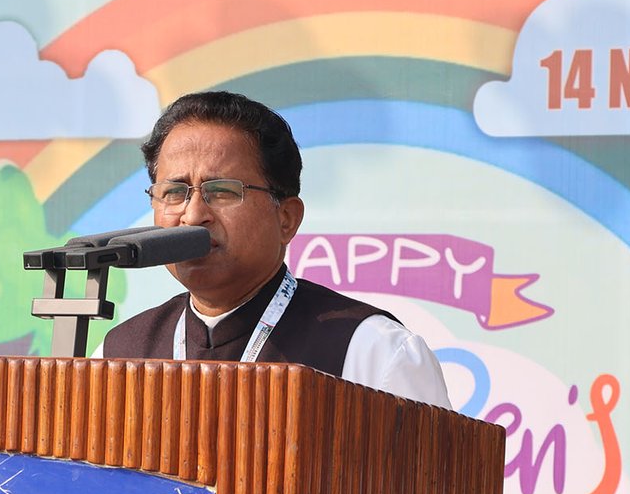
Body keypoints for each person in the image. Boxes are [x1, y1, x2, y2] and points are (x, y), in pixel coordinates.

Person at [101, 91, 451, 408]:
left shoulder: (374, 351)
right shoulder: (119, 353)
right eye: (174, 193)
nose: (193, 215)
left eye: (221, 190)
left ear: (286, 218)